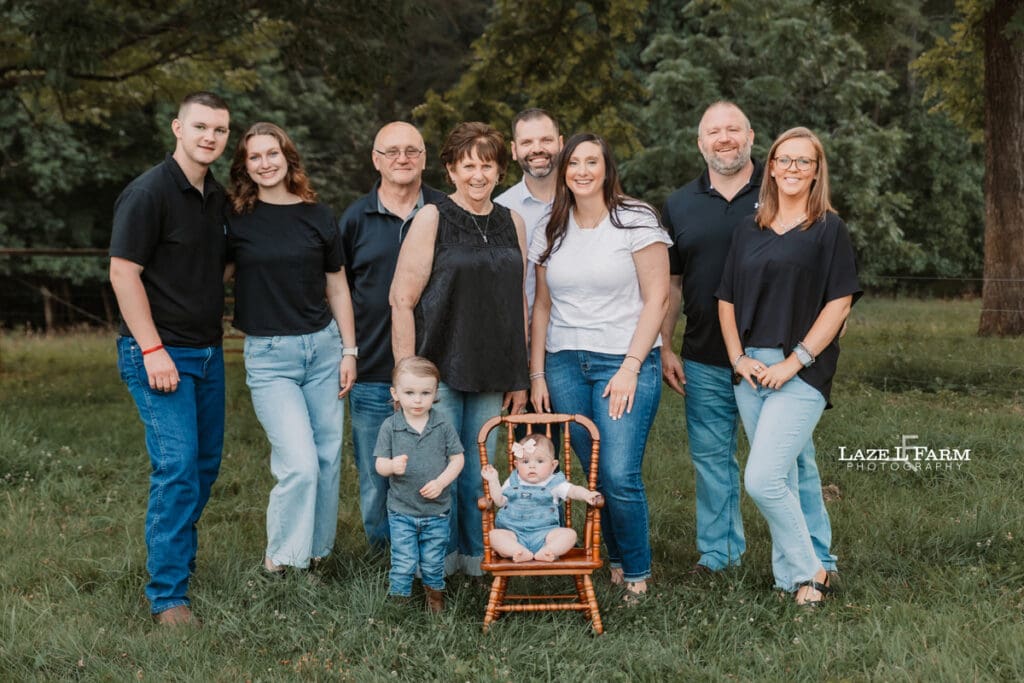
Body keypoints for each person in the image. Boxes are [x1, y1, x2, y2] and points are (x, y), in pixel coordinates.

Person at [660, 101, 839, 575]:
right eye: (713, 131)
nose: (724, 138)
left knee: (794, 462)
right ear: (700, 143)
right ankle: (721, 554)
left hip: (778, 358)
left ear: (752, 136)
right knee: (711, 460)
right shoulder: (679, 205)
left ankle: (816, 555)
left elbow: (828, 285)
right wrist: (666, 345)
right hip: (705, 355)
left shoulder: (780, 189)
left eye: (733, 129)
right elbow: (673, 285)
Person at [716, 126, 861, 606]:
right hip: (751, 369)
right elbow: (726, 301)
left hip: (801, 367)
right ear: (771, 167)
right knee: (796, 469)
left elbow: (839, 304)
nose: (794, 169)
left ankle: (808, 572)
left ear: (817, 171)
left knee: (762, 478)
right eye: (786, 160)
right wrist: (738, 359)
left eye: (805, 162)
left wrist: (795, 362)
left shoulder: (828, 229)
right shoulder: (748, 229)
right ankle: (811, 566)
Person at [529, 132, 671, 603]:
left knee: (618, 473)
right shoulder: (552, 226)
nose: (583, 171)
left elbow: (658, 299)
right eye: (574, 163)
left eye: (593, 162)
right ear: (564, 171)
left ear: (608, 169)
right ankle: (612, 560)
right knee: (591, 472)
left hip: (622, 360)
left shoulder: (635, 220)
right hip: (565, 362)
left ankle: (636, 571)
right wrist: (537, 373)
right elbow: (543, 308)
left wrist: (631, 366)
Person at [109, 91, 231, 626]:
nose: (210, 137)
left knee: (203, 468)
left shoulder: (217, 197)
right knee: (178, 468)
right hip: (159, 352)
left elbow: (220, 265)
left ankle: (174, 559)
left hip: (208, 352)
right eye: (200, 126)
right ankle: (167, 597)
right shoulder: (149, 192)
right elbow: (123, 272)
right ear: (177, 128)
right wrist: (154, 349)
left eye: (220, 130)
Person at [390, 121, 530, 577]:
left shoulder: (514, 222)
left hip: (492, 371)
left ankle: (475, 560)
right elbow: (402, 299)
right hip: (439, 371)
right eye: (467, 165)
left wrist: (520, 376)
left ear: (499, 171)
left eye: (487, 165)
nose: (477, 174)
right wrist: (407, 376)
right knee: (439, 472)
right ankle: (433, 566)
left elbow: (518, 304)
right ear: (450, 169)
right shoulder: (432, 217)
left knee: (479, 471)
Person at [226, 122, 358, 576]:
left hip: (324, 350)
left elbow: (337, 286)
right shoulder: (234, 220)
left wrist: (349, 350)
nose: (265, 163)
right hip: (270, 356)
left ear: (288, 158)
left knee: (325, 458)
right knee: (299, 463)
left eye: (272, 153)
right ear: (245, 166)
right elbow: (208, 277)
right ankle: (280, 560)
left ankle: (316, 553)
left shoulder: (318, 216)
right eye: (254, 157)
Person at [339, 122, 446, 551]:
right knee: (375, 472)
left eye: (412, 150)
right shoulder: (354, 219)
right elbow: (338, 291)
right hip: (373, 370)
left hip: (440, 370)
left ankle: (439, 556)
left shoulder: (445, 210)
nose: (402, 159)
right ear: (376, 159)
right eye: (392, 151)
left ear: (424, 157)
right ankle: (384, 556)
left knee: (437, 468)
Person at [374, 356, 465, 612]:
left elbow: (458, 459)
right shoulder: (390, 426)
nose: (417, 400)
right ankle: (399, 602)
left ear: (435, 393)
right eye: (409, 392)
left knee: (433, 561)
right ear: (395, 393)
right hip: (402, 510)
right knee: (403, 560)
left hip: (436, 510)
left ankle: (434, 598)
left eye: (425, 393)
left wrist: (441, 481)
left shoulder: (442, 424)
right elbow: (379, 464)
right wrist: (391, 466)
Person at [481, 434, 601, 562]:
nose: (532, 466)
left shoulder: (554, 483)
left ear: (553, 465)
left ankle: (548, 550)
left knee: (570, 535)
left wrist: (587, 495)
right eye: (525, 461)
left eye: (540, 461)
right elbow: (499, 501)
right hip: (514, 534)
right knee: (494, 535)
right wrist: (493, 480)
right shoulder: (513, 481)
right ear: (516, 464)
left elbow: (573, 490)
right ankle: (517, 550)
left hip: (545, 535)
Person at [494, 108, 564, 313]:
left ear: (561, 144)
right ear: (514, 151)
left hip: (578, 336)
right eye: (527, 143)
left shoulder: (585, 200)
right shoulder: (500, 210)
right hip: (523, 334)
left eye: (546, 140)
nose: (537, 149)